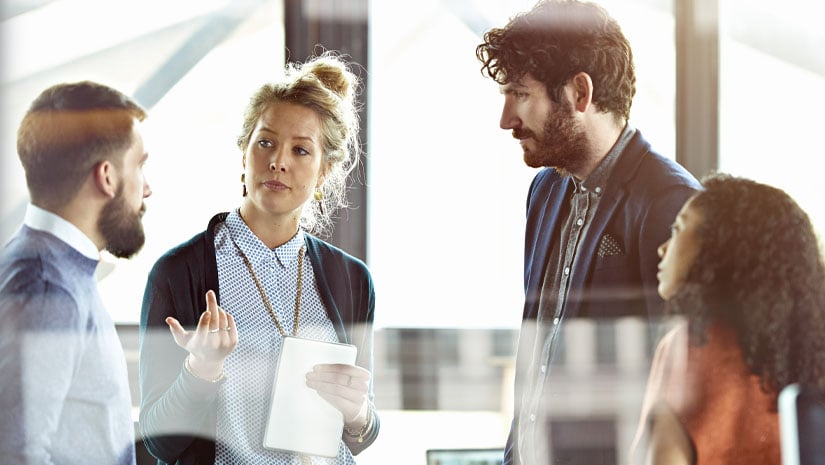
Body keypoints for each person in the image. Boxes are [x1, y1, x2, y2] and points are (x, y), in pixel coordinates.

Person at [475, 1, 701, 464]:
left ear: (580, 92)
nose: (506, 119)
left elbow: (680, 390)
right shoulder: (544, 190)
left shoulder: (672, 203)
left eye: (520, 94)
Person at [138, 50, 379, 465]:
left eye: (301, 151)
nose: (278, 161)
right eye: (265, 142)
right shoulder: (179, 273)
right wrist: (201, 370)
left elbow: (359, 433)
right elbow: (157, 442)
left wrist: (358, 413)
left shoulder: (352, 279)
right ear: (244, 153)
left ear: (324, 171)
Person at [0, 81, 152, 464]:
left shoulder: (50, 265)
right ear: (107, 176)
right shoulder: (48, 288)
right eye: (139, 166)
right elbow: (17, 454)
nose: (147, 189)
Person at [630, 173, 825, 465]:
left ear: (718, 249)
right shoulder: (809, 348)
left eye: (679, 229)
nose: (663, 248)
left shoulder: (688, 346)